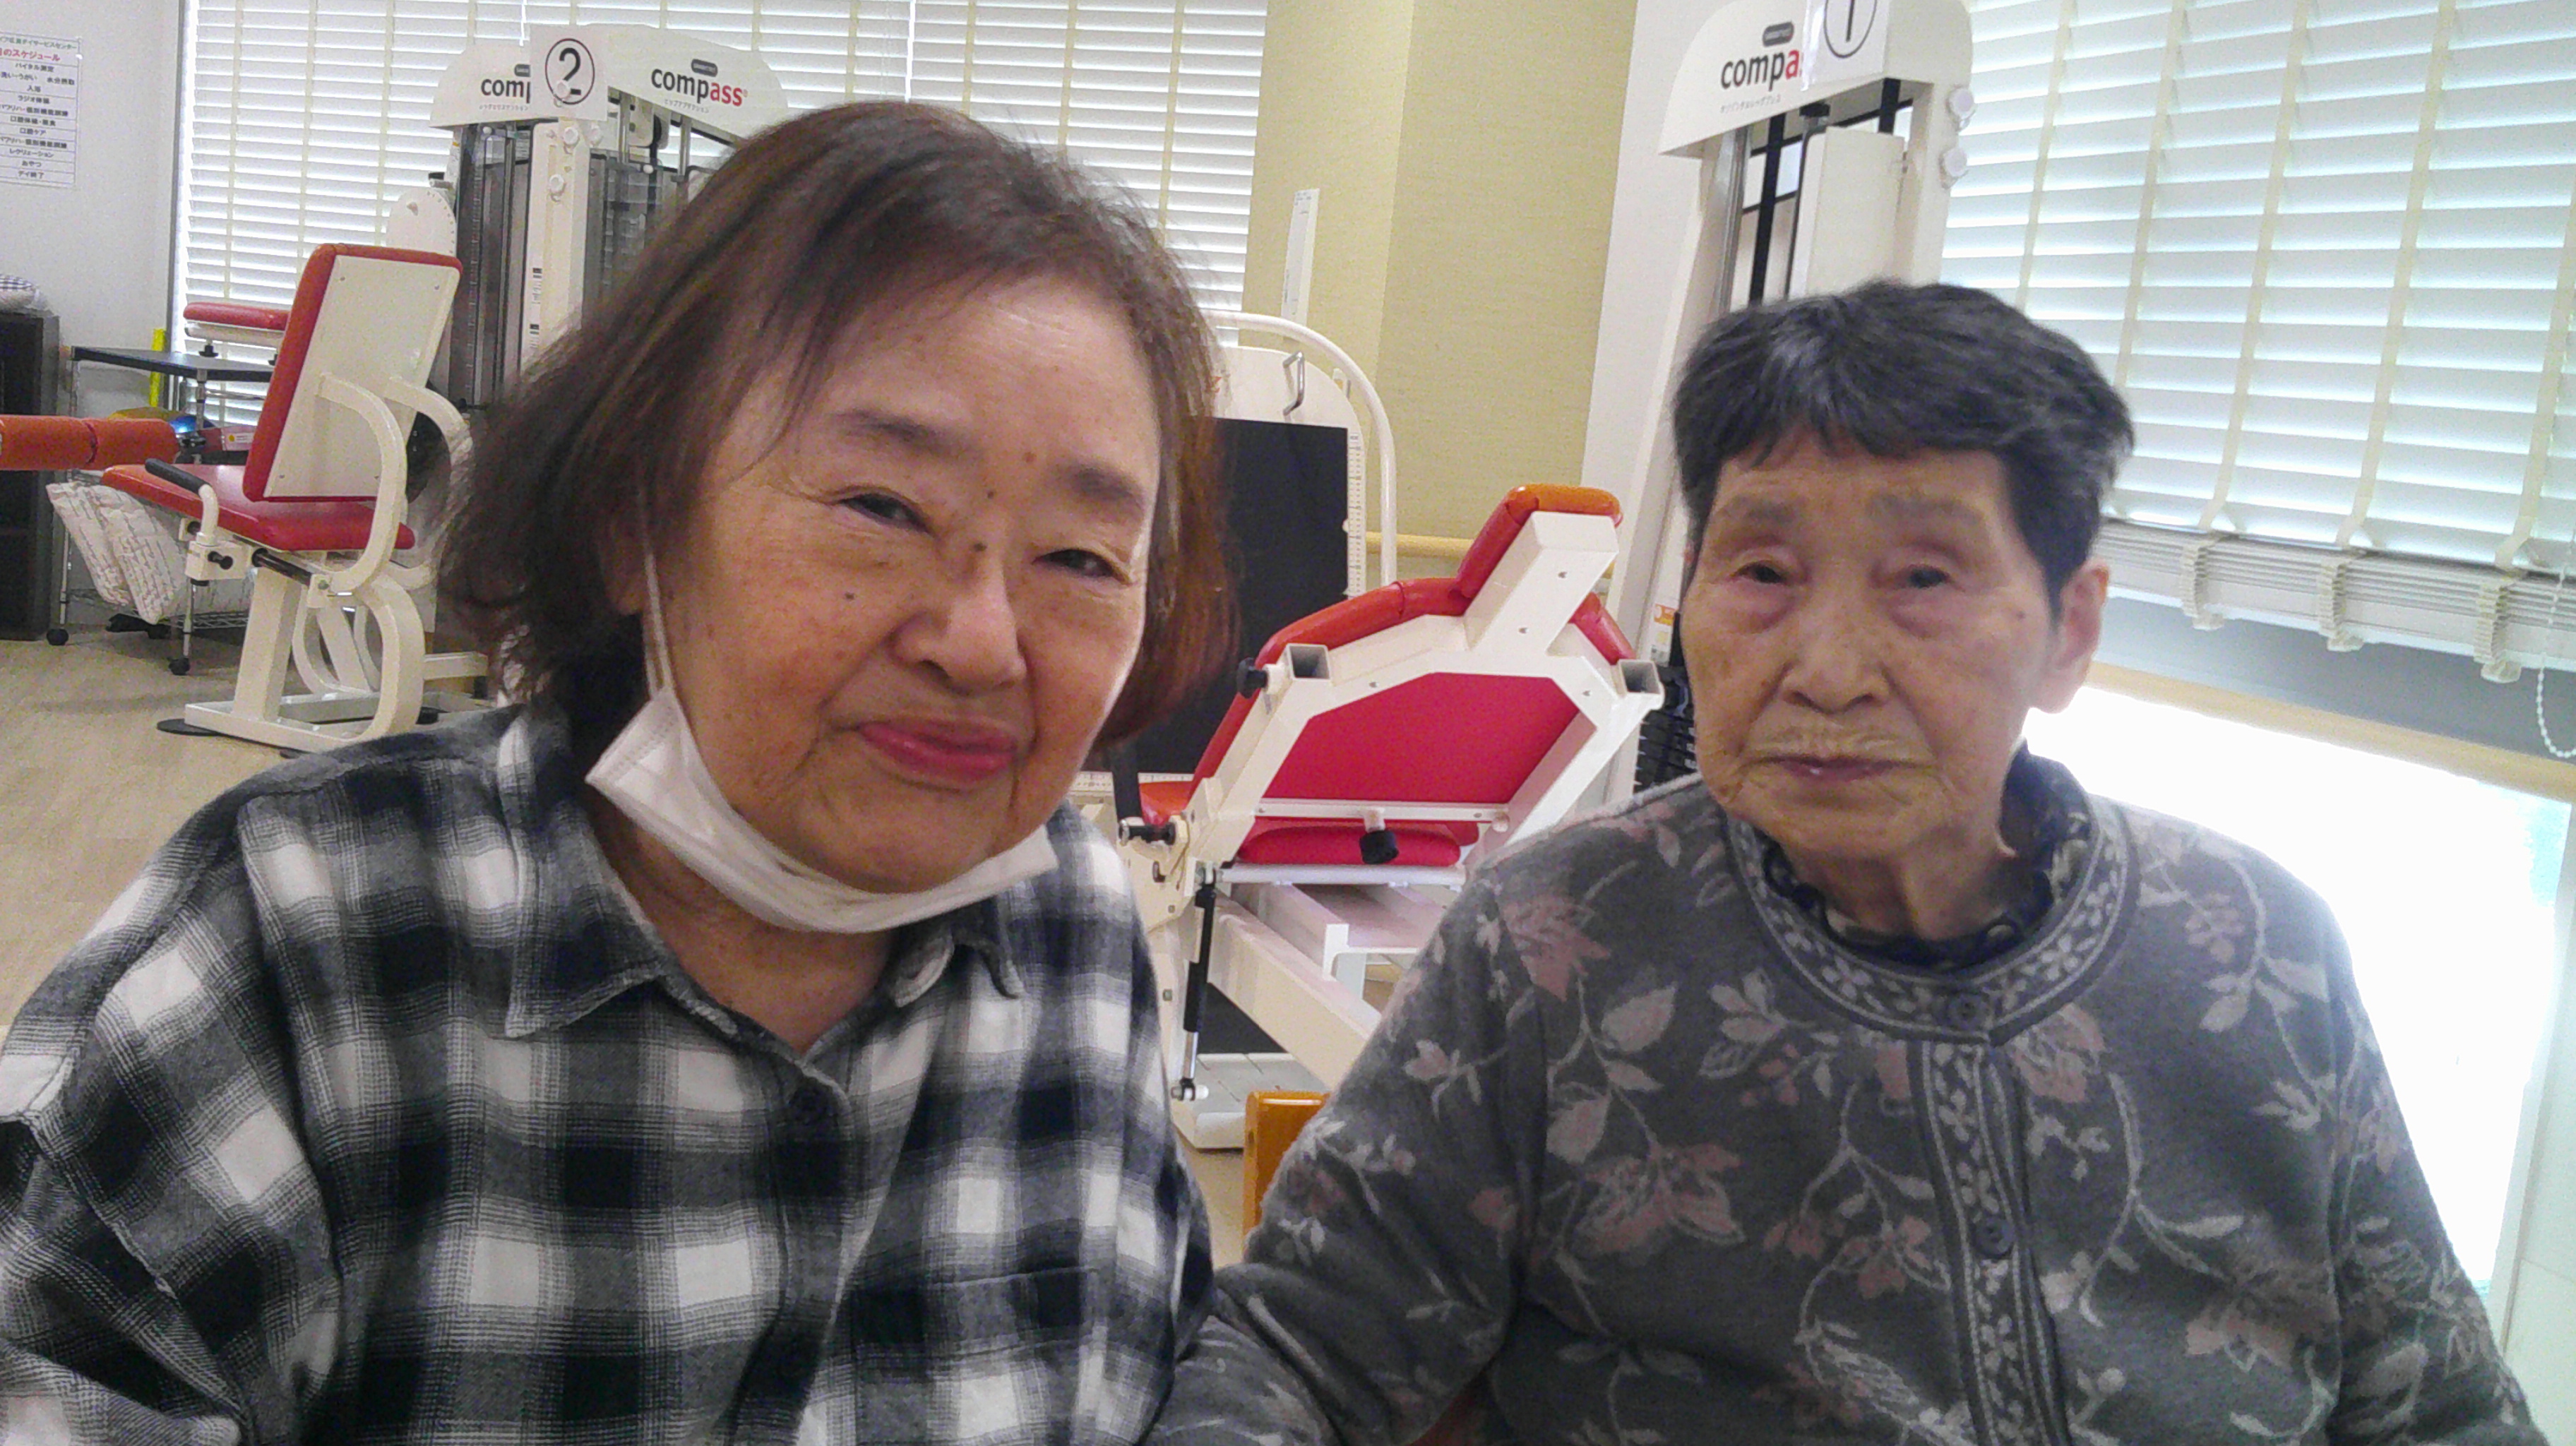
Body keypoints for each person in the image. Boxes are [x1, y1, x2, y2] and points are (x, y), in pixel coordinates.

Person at [0, 102, 1230, 1444]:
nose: (983, 644)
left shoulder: (1076, 931)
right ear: (630, 525)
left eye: (1082, 559)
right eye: (881, 507)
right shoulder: (299, 946)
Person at [1149, 282, 2544, 1445]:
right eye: (1763, 573)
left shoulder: (2257, 949)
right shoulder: (1557, 947)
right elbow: (1295, 1354)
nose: (1825, 670)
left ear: (2069, 630)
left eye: (1923, 579)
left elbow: (2439, 1404)